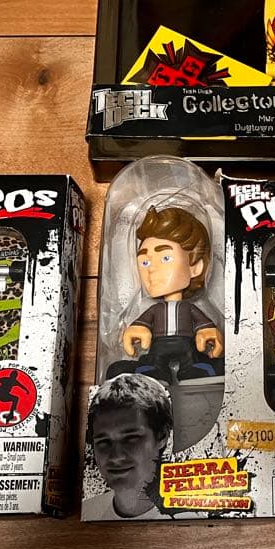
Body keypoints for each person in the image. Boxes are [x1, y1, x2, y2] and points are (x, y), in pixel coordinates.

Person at [107, 206, 223, 385]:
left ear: (195, 267)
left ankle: (198, 370)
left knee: (196, 363)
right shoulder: (156, 309)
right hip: (159, 346)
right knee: (147, 364)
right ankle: (152, 373)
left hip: (187, 344)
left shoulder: (188, 308)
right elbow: (143, 322)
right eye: (144, 262)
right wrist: (137, 329)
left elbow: (202, 323)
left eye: (165, 258)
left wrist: (207, 331)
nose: (151, 269)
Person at [83, 374, 174, 520]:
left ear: (162, 436)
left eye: (131, 439)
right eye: (104, 441)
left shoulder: (192, 516)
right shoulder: (88, 512)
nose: (116, 456)